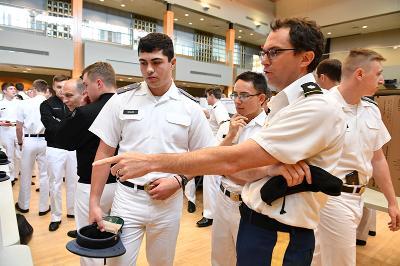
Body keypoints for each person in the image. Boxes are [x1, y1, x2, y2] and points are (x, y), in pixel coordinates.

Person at [93, 18, 347, 265]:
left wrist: (153, 165)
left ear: (305, 58)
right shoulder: (285, 104)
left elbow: (227, 158)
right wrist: (269, 168)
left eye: (275, 52)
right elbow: (244, 165)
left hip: (280, 227)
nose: (264, 60)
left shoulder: (315, 107)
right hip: (138, 197)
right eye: (264, 52)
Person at [88, 32, 214, 266]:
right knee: (117, 261)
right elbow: (104, 153)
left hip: (168, 202)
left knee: (161, 262)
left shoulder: (190, 107)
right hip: (126, 199)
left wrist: (179, 180)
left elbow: (203, 158)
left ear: (172, 63)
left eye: (156, 62)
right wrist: (94, 202)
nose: (149, 70)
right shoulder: (121, 99)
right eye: (143, 63)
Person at [312, 49, 400, 266]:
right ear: (359, 74)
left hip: (358, 196)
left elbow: (377, 158)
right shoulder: (322, 107)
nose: (382, 80)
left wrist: (391, 201)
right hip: (331, 197)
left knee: (319, 259)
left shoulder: (371, 109)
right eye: (378, 73)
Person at [54, 65, 117, 266]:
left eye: (87, 85)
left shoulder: (87, 111)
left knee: (90, 244)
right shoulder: (128, 107)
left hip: (91, 184)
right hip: (123, 186)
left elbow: (63, 140)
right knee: (116, 239)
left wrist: (80, 107)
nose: (85, 91)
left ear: (98, 83)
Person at [212, 71, 271, 266]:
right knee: (220, 257)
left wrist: (225, 166)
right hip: (222, 199)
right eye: (235, 95)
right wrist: (230, 137)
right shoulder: (230, 125)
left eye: (244, 95)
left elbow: (254, 176)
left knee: (248, 260)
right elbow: (214, 162)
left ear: (261, 98)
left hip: (250, 204)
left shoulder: (270, 128)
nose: (238, 101)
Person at [40, 75, 78, 232]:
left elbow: (79, 124)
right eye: (58, 87)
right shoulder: (46, 104)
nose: (62, 91)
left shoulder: (76, 103)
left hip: (74, 149)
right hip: (54, 148)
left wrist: (60, 123)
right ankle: (56, 216)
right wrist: (68, 125)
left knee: (73, 182)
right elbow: (50, 126)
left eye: (64, 86)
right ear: (53, 88)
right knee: (55, 183)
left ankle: (72, 211)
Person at [15, 79, 50, 215]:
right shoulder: (49, 104)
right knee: (45, 175)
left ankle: (23, 205)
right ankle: (44, 207)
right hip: (45, 140)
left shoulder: (24, 103)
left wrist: (19, 142)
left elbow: (18, 127)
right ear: (46, 90)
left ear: (34, 89)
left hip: (29, 140)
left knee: (26, 174)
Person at [198, 88, 231, 227]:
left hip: (215, 149)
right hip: (215, 148)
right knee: (213, 182)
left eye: (207, 96)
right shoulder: (216, 108)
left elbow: (225, 125)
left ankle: (209, 215)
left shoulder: (219, 108)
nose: (206, 99)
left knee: (210, 181)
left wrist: (217, 146)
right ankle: (211, 212)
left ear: (212, 96)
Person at [0, 83, 20, 184]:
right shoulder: (1, 103)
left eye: (14, 89)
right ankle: (11, 177)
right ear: (4, 91)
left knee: (19, 154)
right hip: (5, 130)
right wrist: (1, 122)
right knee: (9, 154)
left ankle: (17, 174)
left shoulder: (19, 103)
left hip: (18, 129)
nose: (14, 90)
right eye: (11, 89)